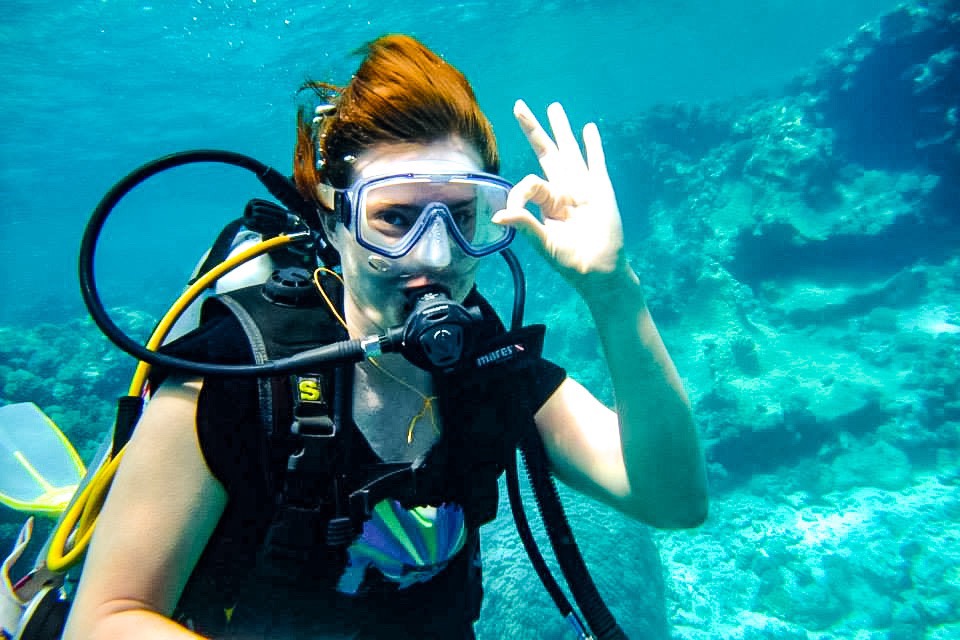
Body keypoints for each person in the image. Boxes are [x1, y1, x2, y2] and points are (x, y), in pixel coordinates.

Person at [61, 34, 707, 640]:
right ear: (331, 217)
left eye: (459, 216)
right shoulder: (236, 379)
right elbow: (105, 618)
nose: (433, 255)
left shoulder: (487, 366)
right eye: (394, 218)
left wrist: (616, 293)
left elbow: (673, 497)